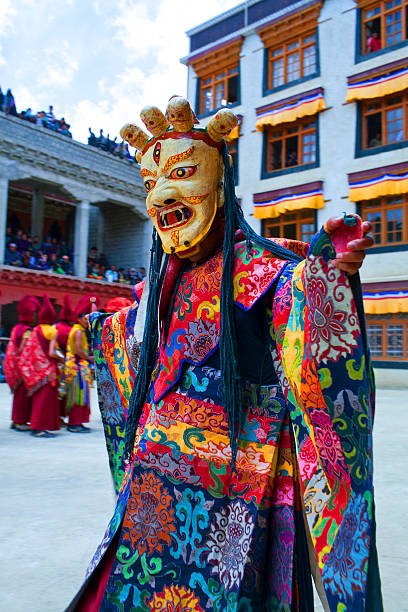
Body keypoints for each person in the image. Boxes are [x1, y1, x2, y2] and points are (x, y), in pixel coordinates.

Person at [67, 97, 382, 611]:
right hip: (156, 482)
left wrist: (327, 274)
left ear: (221, 184)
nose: (162, 195)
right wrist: (108, 329)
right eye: (151, 184)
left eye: (182, 173)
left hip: (239, 479)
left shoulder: (266, 268)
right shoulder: (162, 282)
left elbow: (297, 304)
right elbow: (137, 346)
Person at [19, 294, 60, 437]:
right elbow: (52, 352)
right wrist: (61, 359)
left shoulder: (35, 330)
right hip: (48, 373)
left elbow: (28, 351)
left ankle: (36, 426)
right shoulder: (53, 331)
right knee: (45, 401)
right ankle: (39, 428)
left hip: (36, 372)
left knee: (38, 400)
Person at [4, 295, 40, 431]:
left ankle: (16, 420)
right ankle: (20, 422)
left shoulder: (16, 328)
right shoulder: (27, 330)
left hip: (15, 366)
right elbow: (24, 349)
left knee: (19, 396)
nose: (35, 317)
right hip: (24, 367)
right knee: (23, 396)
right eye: (33, 314)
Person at [64, 296, 95, 433]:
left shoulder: (79, 330)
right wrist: (90, 358)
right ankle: (74, 423)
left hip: (78, 366)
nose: (87, 321)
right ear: (78, 319)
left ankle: (78, 422)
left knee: (81, 393)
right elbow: (78, 350)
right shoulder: (77, 331)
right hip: (76, 366)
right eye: (85, 319)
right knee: (78, 393)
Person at [55, 293, 75, 424]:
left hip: (55, 362)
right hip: (66, 363)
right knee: (65, 392)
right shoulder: (70, 330)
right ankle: (61, 417)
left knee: (57, 392)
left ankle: (57, 416)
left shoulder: (54, 326)